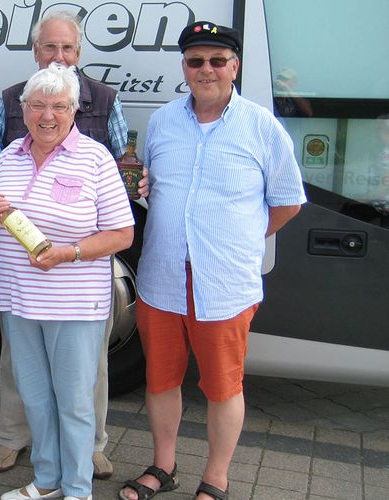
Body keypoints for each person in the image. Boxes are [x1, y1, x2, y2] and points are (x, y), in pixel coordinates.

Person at [118, 21, 306, 500]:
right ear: (184, 67)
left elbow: (287, 201)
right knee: (160, 381)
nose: (206, 70)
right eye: (195, 61)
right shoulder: (162, 121)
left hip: (223, 283)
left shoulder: (262, 126)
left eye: (217, 61)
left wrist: (241, 239)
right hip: (161, 277)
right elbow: (152, 186)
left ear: (234, 66)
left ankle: (216, 478)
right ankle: (163, 467)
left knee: (223, 387)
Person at [0, 63, 133, 500]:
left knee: (75, 402)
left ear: (74, 111)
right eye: (38, 105)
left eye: (59, 106)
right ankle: (47, 481)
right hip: (17, 300)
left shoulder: (96, 158)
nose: (48, 115)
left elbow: (123, 233)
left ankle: (78, 489)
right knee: (35, 397)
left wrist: (70, 253)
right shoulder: (9, 156)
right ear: (23, 110)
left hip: (75, 304)